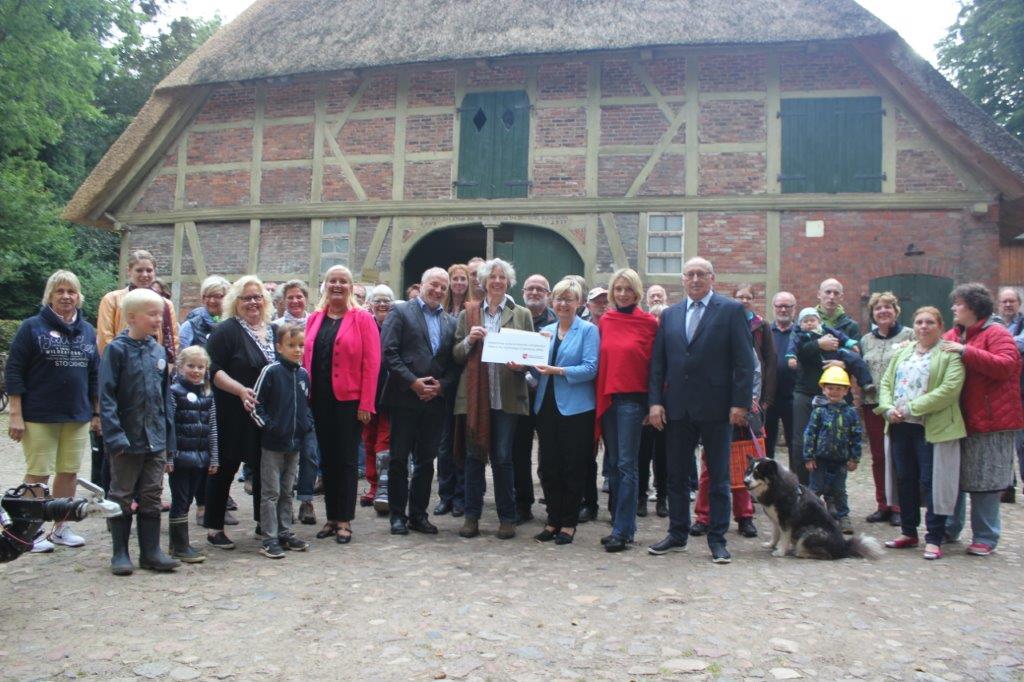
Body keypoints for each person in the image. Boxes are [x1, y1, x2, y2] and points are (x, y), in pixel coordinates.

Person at [648, 257, 754, 564]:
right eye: (690, 274)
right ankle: (677, 533)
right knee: (677, 475)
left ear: (712, 279)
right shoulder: (670, 315)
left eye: (701, 274)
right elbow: (659, 364)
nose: (695, 279)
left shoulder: (731, 311)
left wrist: (740, 403)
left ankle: (717, 539)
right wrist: (655, 402)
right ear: (682, 280)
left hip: (717, 408)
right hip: (677, 408)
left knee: (718, 477)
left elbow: (744, 363)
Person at [5, 270, 100, 552]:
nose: (66, 296)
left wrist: (95, 413)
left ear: (79, 296)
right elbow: (14, 371)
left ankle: (60, 528)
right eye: (59, 291)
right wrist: (15, 413)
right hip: (39, 414)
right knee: (38, 474)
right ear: (49, 296)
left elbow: (94, 374)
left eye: (71, 291)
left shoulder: (88, 330)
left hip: (77, 414)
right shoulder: (31, 327)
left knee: (69, 471)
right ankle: (27, 532)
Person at [99, 287, 179, 575]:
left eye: (161, 314)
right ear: (131, 317)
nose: (159, 319)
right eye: (152, 314)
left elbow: (164, 397)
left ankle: (151, 552)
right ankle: (120, 552)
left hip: (155, 438)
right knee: (121, 494)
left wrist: (169, 438)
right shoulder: (116, 351)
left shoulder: (159, 351)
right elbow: (106, 396)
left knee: (152, 494)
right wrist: (115, 435)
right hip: (127, 439)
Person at [453, 258, 533, 540]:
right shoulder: (469, 313)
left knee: (502, 458)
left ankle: (507, 518)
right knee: (474, 458)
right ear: (484, 282)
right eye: (492, 277)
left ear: (508, 283)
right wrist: (469, 341)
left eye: (502, 277)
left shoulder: (521, 314)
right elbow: (456, 354)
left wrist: (521, 365)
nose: (497, 281)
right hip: (476, 397)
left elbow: (530, 356)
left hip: (507, 396)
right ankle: (471, 517)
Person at [876, 307, 965, 560]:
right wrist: (888, 408)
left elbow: (950, 390)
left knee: (931, 481)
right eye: (919, 322)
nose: (923, 327)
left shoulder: (949, 353)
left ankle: (935, 537)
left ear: (939, 325)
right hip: (900, 425)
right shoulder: (903, 351)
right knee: (905, 479)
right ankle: (908, 531)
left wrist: (913, 407)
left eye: (929, 322)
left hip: (930, 427)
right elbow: (886, 382)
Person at [941, 283, 1023, 556]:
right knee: (955, 477)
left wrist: (965, 352)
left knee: (985, 482)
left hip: (991, 421)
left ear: (974, 307)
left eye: (959, 304)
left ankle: (986, 536)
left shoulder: (996, 333)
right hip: (958, 419)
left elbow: (1007, 365)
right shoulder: (954, 333)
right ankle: (950, 528)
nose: (954, 308)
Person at [690, 284, 774, 538]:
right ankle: (703, 516)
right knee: (709, 468)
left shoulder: (742, 333)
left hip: (743, 409)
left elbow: (752, 368)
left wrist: (749, 401)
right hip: (714, 409)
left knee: (745, 465)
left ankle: (745, 516)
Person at [304, 265, 380, 545]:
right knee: (327, 459)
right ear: (325, 285)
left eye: (343, 281)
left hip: (350, 401)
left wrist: (367, 403)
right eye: (332, 281)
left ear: (351, 287)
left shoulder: (362, 318)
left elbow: (372, 363)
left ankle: (345, 518)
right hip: (319, 399)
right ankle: (331, 516)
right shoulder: (314, 318)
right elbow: (306, 360)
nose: (337, 285)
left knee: (347, 460)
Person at [380, 268, 459, 535]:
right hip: (404, 399)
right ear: (422, 284)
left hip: (434, 402)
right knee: (399, 460)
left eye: (443, 288)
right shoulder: (401, 312)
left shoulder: (450, 322)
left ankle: (418, 515)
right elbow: (388, 352)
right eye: (434, 285)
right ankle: (397, 515)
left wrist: (441, 387)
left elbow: (453, 363)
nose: (438, 291)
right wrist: (413, 382)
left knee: (426, 462)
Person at [203, 276, 276, 550]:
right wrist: (240, 390)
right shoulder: (227, 330)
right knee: (225, 467)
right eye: (247, 298)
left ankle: (263, 523)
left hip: (264, 414)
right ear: (236, 301)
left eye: (257, 297)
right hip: (232, 411)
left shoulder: (272, 330)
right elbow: (214, 369)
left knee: (264, 467)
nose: (253, 302)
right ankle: (214, 526)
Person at [531, 279, 598, 545]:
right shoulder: (545, 331)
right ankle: (552, 519)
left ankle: (568, 523)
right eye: (558, 298)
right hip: (546, 407)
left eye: (569, 299)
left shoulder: (588, 331)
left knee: (573, 466)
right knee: (548, 467)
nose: (563, 304)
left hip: (577, 410)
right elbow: (534, 370)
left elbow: (591, 368)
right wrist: (520, 366)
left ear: (579, 303)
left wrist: (559, 371)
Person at [595, 268, 658, 553]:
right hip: (609, 400)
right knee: (614, 466)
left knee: (627, 466)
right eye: (617, 289)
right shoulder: (606, 321)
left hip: (633, 403)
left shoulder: (648, 323)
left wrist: (653, 403)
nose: (622, 294)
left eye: (627, 289)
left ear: (637, 292)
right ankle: (624, 527)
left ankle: (622, 529)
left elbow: (656, 368)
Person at [788, 307, 872, 485]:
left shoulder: (849, 326)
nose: (831, 296)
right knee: (801, 442)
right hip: (805, 391)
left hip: (835, 392)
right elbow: (799, 354)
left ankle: (832, 493)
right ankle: (804, 489)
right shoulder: (800, 331)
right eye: (827, 292)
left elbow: (857, 356)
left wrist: (842, 363)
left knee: (835, 441)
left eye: (835, 292)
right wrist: (818, 344)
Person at [251, 324, 313, 558]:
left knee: (287, 490)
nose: (297, 350)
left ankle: (285, 531)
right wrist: (271, 427)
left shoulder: (303, 374)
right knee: (271, 492)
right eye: (291, 345)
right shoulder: (271, 371)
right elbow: (256, 405)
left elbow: (306, 405)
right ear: (279, 347)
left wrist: (306, 425)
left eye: (300, 346)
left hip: (295, 443)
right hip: (273, 444)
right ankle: (269, 537)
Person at [859, 292, 914, 526]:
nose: (883, 312)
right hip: (872, 405)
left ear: (896, 310)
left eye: (887, 308)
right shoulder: (865, 341)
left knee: (900, 455)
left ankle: (900, 505)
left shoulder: (909, 335)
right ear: (872, 314)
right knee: (879, 457)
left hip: (899, 406)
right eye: (878, 308)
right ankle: (883, 503)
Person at [271, 280, 320, 525]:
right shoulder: (276, 326)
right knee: (285, 456)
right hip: (283, 399)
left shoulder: (315, 322)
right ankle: (284, 503)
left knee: (310, 453)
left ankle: (307, 500)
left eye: (299, 296)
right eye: (290, 297)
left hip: (308, 396)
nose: (295, 301)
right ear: (283, 301)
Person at [166, 345, 218, 563]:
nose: (196, 370)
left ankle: (179, 543)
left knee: (188, 499)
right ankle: (179, 545)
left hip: (200, 458)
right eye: (191, 366)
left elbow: (213, 427)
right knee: (180, 499)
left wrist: (214, 457)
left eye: (200, 366)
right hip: (179, 458)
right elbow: (169, 426)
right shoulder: (173, 392)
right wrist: (169, 456)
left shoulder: (208, 395)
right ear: (180, 367)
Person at [512, 274, 557, 523]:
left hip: (549, 397)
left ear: (548, 294)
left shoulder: (556, 320)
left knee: (550, 452)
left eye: (541, 289)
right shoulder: (515, 318)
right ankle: (522, 504)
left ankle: (553, 502)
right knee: (519, 452)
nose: (535, 292)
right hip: (520, 395)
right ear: (523, 292)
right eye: (531, 288)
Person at [802, 366, 862, 534]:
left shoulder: (851, 413)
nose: (834, 392)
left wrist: (854, 458)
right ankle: (809, 516)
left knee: (839, 491)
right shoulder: (819, 412)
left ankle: (843, 517)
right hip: (820, 459)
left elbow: (856, 436)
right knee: (815, 489)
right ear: (823, 389)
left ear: (846, 391)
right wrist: (809, 457)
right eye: (830, 388)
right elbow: (810, 434)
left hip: (841, 460)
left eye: (838, 389)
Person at [435, 264, 471, 517]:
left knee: (463, 442)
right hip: (443, 383)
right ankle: (445, 495)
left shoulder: (473, 311)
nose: (458, 283)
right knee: (444, 443)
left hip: (465, 383)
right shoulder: (440, 310)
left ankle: (461, 495)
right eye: (454, 279)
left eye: (462, 279)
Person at [361, 285, 394, 512]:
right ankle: (373, 485)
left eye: (386, 301)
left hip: (390, 393)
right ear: (371, 304)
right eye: (378, 300)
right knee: (369, 439)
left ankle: (384, 486)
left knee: (385, 440)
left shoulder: (396, 324)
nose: (382, 304)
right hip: (368, 393)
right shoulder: (365, 324)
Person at [638, 302, 671, 519]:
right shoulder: (644, 342)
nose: (658, 322)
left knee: (664, 456)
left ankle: (662, 498)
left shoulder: (673, 343)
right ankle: (641, 497)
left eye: (662, 318)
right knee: (642, 455)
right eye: (654, 317)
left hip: (668, 406)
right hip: (644, 404)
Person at [765, 291, 797, 461]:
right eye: (779, 306)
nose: (783, 310)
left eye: (788, 306)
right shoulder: (765, 331)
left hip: (793, 396)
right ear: (773, 308)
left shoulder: (800, 333)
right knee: (766, 443)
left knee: (795, 443)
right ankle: (768, 483)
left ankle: (796, 484)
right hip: (769, 397)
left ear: (794, 308)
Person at [179, 275, 229, 351]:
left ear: (227, 298)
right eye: (208, 296)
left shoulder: (234, 324)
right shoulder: (190, 326)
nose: (212, 301)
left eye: (217, 296)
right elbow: (181, 359)